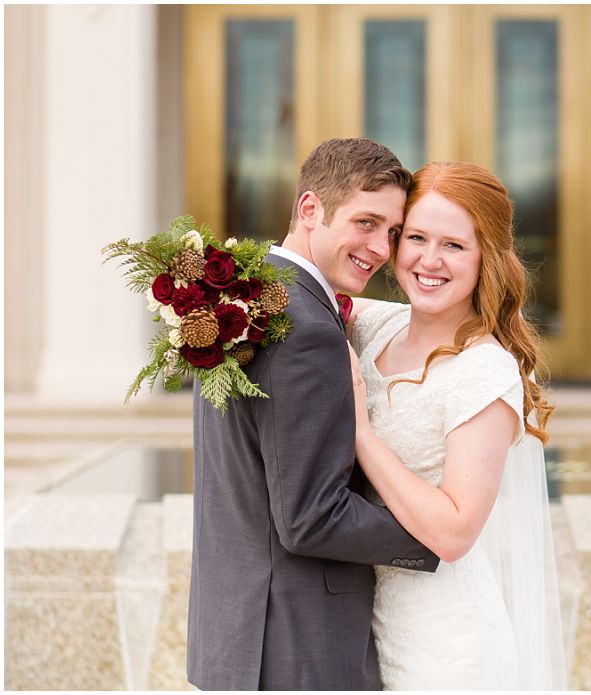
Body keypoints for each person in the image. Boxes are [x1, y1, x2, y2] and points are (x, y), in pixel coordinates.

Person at [187, 138, 439, 691]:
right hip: (298, 648)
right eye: (367, 222)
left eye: (393, 233)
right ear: (309, 210)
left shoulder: (246, 298)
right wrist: (432, 533)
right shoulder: (305, 328)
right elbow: (310, 518)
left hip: (238, 635)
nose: (381, 248)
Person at [344, 161, 567, 689]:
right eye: (416, 237)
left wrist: (361, 436)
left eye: (453, 245)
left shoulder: (484, 371)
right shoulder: (379, 326)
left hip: (450, 644)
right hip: (376, 626)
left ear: (486, 257)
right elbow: (298, 291)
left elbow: (454, 531)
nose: (429, 260)